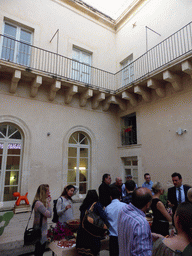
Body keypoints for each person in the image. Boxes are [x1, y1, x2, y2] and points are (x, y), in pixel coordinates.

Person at [118, 187, 153, 256]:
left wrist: (149, 236)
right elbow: (142, 253)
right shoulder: (141, 223)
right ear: (148, 204)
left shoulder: (124, 210)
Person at [76, 190, 108, 256]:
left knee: (83, 253)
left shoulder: (84, 205)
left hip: (82, 233)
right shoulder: (97, 205)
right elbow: (103, 217)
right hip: (93, 234)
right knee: (93, 253)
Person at [105, 187, 125, 256]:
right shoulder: (125, 206)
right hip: (124, 236)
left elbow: (106, 221)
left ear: (111, 197)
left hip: (113, 237)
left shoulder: (107, 208)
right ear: (120, 197)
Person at [33, 184, 52, 256]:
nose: (49, 192)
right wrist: (49, 203)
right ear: (43, 192)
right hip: (40, 232)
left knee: (40, 251)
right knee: (39, 251)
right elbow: (49, 214)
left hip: (41, 231)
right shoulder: (38, 203)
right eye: (48, 191)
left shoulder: (39, 202)